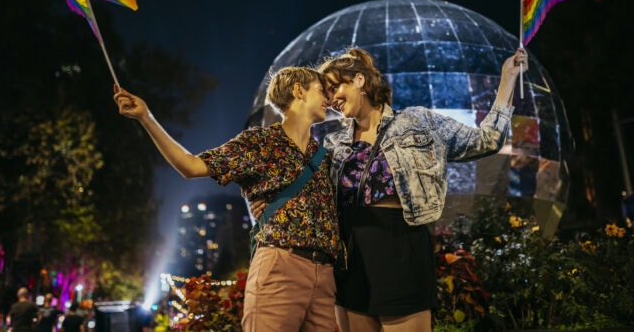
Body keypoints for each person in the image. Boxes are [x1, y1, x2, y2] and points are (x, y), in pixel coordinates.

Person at [251, 46, 528, 331]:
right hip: (350, 258)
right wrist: (266, 198)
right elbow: (303, 192)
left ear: (359, 80)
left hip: (402, 250)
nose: (331, 98)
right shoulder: (333, 144)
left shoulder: (418, 121)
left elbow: (488, 139)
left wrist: (507, 79)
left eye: (335, 87)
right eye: (326, 92)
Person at [113, 66, 343, 332]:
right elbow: (191, 166)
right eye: (320, 90)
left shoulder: (324, 157)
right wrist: (146, 117)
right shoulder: (259, 142)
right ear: (298, 91)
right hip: (281, 266)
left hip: (325, 275)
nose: (327, 97)